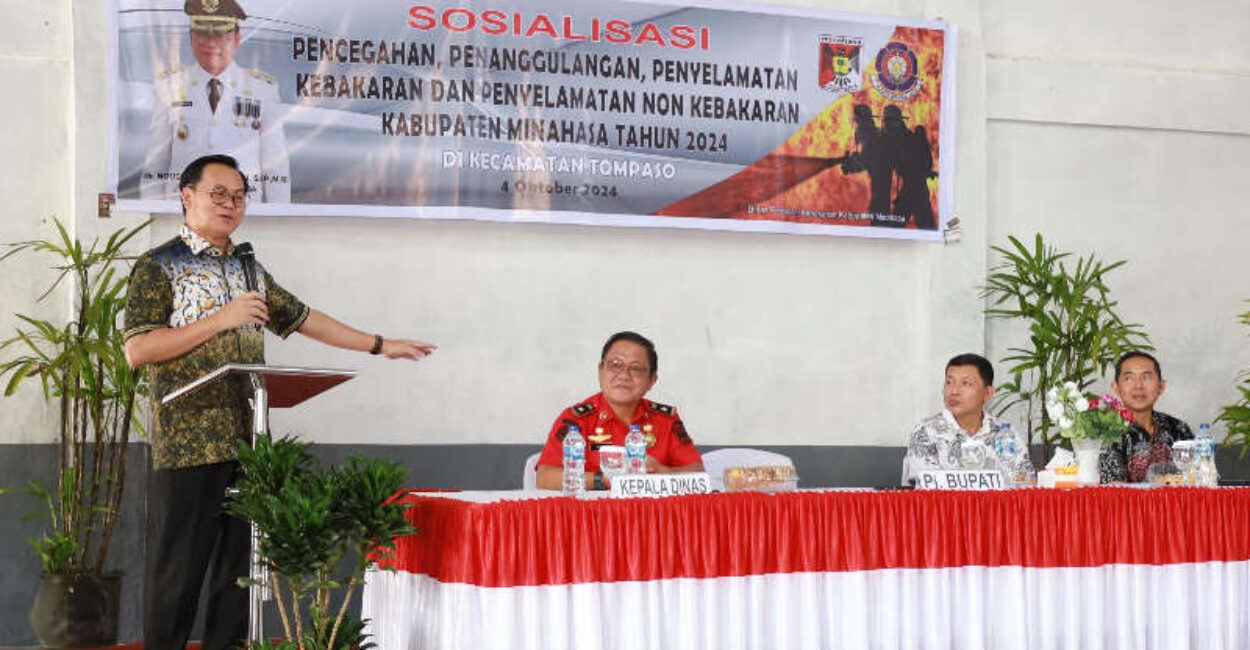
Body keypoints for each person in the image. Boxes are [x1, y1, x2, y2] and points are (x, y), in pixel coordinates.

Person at [124, 154, 435, 650]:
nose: (230, 204)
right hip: (187, 446)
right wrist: (220, 320)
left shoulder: (248, 269)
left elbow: (304, 318)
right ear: (187, 196)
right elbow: (139, 349)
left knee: (238, 581)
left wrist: (380, 345)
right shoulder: (159, 265)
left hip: (249, 444)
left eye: (238, 196)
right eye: (218, 193)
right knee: (177, 578)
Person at [140, 0, 290, 202]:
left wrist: (278, 215)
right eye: (202, 34)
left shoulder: (262, 90)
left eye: (220, 35)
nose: (211, 43)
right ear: (191, 37)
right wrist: (153, 214)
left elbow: (275, 166)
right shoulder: (170, 87)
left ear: (236, 39)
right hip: (184, 208)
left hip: (242, 208)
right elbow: (155, 165)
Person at [535, 332, 704, 490]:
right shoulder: (576, 419)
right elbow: (544, 477)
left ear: (651, 380)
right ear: (601, 370)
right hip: (594, 511)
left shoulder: (665, 419)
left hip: (649, 510)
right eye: (615, 365)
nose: (624, 375)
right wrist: (604, 479)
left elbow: (697, 472)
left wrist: (662, 473)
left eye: (636, 368)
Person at [902, 353, 1030, 484]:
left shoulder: (1006, 433)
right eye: (949, 382)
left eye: (966, 383)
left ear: (988, 393)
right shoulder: (926, 432)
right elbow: (925, 488)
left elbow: (1025, 482)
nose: (954, 391)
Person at [1100, 351, 1193, 483]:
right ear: (1116, 388)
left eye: (1147, 377)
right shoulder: (1106, 433)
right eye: (1129, 378)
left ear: (1161, 386)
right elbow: (1114, 488)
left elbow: (1199, 478)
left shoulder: (1178, 428)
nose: (1138, 386)